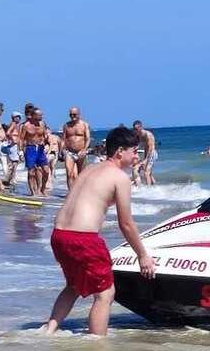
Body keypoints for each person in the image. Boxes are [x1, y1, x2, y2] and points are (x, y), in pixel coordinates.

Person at [44, 126, 156, 336]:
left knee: (73, 286)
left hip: (59, 235)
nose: (136, 157)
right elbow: (126, 224)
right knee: (105, 293)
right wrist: (143, 256)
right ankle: (97, 344)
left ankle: (49, 329)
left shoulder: (89, 170)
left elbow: (92, 199)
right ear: (120, 151)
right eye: (135, 152)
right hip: (83, 239)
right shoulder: (119, 178)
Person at [20, 108, 50, 196]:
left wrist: (47, 143)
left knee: (46, 170)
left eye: (41, 115)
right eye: (39, 115)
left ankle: (42, 188)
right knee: (31, 172)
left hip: (41, 149)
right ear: (33, 116)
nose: (41, 116)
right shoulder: (26, 126)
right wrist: (21, 152)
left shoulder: (42, 124)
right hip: (30, 148)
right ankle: (33, 192)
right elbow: (21, 139)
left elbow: (45, 136)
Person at [62, 107, 92, 190]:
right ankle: (71, 193)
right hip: (69, 152)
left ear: (79, 114)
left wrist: (85, 149)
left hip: (81, 152)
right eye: (71, 114)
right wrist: (62, 149)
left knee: (81, 174)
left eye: (74, 114)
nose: (72, 116)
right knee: (69, 173)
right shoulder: (66, 125)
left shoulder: (84, 125)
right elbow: (64, 138)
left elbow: (88, 138)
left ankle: (80, 192)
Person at [132, 121, 158, 185]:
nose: (135, 130)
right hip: (146, 154)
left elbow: (151, 148)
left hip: (152, 154)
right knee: (149, 173)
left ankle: (148, 190)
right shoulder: (139, 135)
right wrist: (136, 148)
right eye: (134, 129)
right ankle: (155, 187)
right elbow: (140, 144)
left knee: (146, 172)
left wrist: (146, 159)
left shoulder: (147, 134)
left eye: (137, 128)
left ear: (141, 127)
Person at [2, 111, 23, 185]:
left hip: (13, 145)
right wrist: (13, 140)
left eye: (19, 117)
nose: (19, 118)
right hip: (13, 145)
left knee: (13, 163)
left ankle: (10, 178)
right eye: (17, 117)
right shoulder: (14, 124)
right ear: (13, 118)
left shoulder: (17, 125)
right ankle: (11, 179)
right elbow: (8, 133)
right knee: (14, 163)